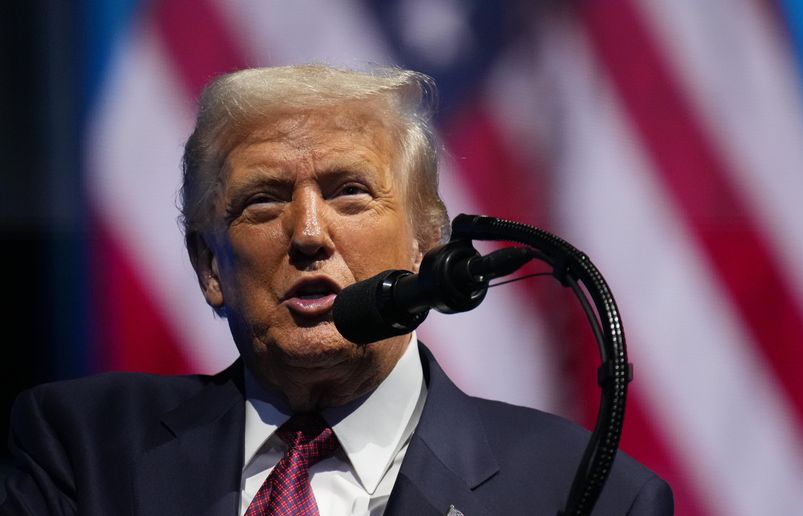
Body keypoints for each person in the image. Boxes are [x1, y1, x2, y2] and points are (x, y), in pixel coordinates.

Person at [1, 64, 673, 515]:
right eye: (263, 202)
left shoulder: (586, 492)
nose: (308, 233)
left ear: (426, 248)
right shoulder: (83, 449)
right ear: (211, 268)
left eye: (350, 193)